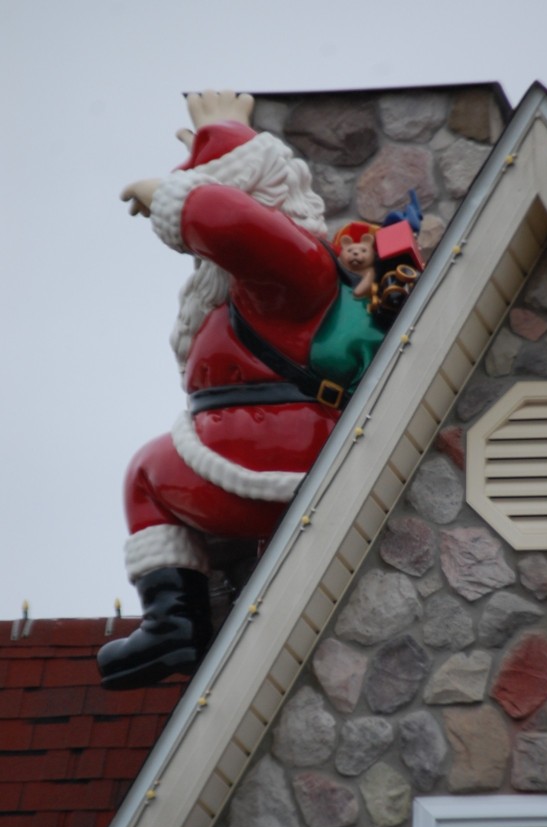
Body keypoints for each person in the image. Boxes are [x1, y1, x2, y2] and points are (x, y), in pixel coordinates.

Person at [98, 92, 387, 690]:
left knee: (148, 478)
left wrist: (172, 192)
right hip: (255, 440)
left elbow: (229, 225)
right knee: (151, 473)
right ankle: (191, 608)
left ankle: (174, 623)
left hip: (271, 452)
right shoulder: (251, 285)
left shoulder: (297, 263)